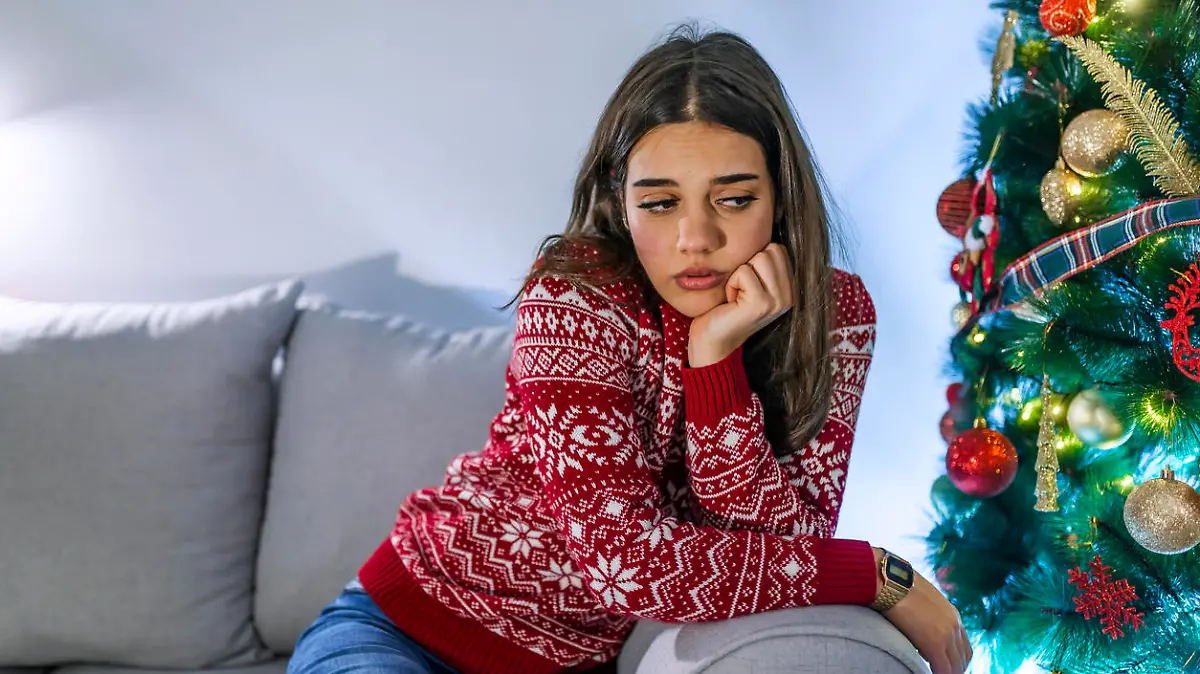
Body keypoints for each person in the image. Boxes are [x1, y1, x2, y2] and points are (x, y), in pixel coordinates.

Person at [288, 24, 971, 674]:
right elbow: (628, 566)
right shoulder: (576, 299)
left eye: (732, 200)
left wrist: (717, 366)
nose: (694, 239)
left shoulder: (834, 316)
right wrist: (880, 575)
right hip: (406, 631)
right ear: (620, 202)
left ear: (781, 199)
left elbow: (787, 543)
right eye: (660, 203)